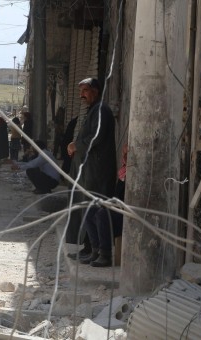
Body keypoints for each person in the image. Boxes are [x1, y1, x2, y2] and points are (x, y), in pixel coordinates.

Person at [66, 78, 117, 259]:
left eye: (85, 91)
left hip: (99, 171)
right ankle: (92, 248)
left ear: (95, 91)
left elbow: (96, 137)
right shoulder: (95, 110)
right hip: (90, 170)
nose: (81, 95)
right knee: (88, 210)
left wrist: (76, 146)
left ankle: (103, 252)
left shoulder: (101, 110)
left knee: (98, 211)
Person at [79, 143, 127, 267]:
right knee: (90, 211)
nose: (125, 156)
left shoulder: (133, 174)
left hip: (128, 214)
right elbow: (117, 197)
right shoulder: (123, 173)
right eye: (125, 154)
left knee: (102, 214)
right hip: (118, 208)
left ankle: (105, 254)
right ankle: (95, 250)